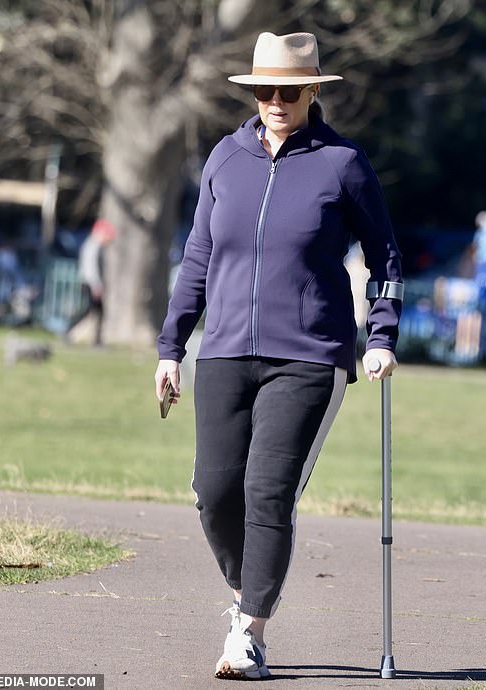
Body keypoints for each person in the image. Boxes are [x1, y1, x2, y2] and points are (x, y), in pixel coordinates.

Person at [154, 31, 403, 680]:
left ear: (312, 91)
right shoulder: (224, 159)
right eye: (264, 90)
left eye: (289, 90)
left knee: (268, 491)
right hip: (225, 352)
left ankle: (250, 634)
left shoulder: (343, 163)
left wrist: (380, 335)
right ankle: (246, 600)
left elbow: (387, 257)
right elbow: (198, 260)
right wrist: (171, 347)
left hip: (310, 355)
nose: (275, 100)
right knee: (214, 492)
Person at [66, 219, 116, 346]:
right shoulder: (93, 245)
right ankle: (68, 331)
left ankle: (97, 339)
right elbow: (90, 268)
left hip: (92, 283)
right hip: (90, 283)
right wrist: (96, 285)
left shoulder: (95, 245)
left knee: (96, 311)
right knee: (87, 310)